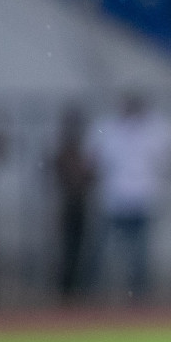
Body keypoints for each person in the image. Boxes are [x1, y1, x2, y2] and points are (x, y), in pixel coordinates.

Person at [87, 94, 171, 301]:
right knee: (105, 249)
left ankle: (137, 294)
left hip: (143, 196)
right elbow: (92, 160)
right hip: (114, 198)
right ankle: (94, 294)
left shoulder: (157, 129)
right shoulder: (107, 127)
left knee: (140, 253)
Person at [53, 106, 95, 301]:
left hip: (80, 205)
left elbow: (90, 176)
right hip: (66, 206)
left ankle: (78, 291)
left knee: (79, 249)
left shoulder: (83, 150)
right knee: (66, 250)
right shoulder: (64, 151)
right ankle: (66, 291)